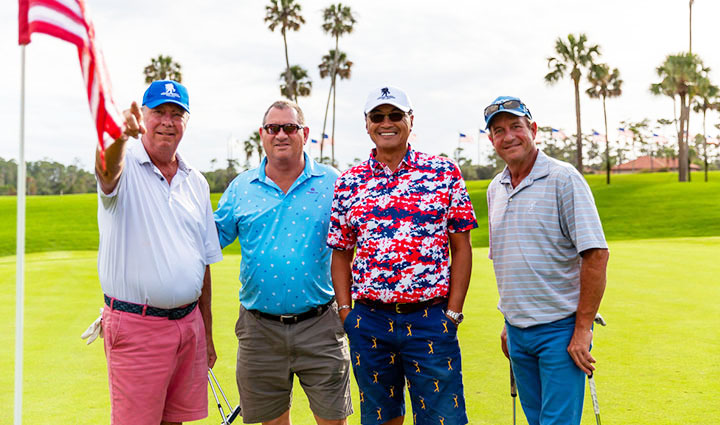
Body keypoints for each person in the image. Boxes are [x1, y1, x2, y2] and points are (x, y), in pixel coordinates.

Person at [328, 86, 477, 425]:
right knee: (381, 419)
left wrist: (452, 313)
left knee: (444, 419)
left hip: (429, 320)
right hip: (370, 322)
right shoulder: (349, 182)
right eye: (377, 117)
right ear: (367, 124)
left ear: (410, 120)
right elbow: (340, 254)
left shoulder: (443, 172)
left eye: (395, 115)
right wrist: (346, 313)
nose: (387, 123)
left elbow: (462, 247)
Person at [214, 100, 352, 425]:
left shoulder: (334, 183)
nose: (280, 134)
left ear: (304, 133)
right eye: (273, 128)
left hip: (320, 324)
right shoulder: (240, 188)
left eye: (289, 127)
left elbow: (358, 240)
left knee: (333, 420)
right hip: (259, 329)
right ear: (262, 135)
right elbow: (208, 241)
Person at [95, 80, 223, 425]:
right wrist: (117, 135)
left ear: (185, 123)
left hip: (188, 326)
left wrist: (206, 333)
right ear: (144, 117)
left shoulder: (196, 182)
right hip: (138, 326)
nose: (168, 121)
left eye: (176, 114)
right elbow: (106, 172)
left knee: (175, 422)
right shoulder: (124, 164)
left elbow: (203, 262)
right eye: (159, 113)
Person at [484, 96, 610, 425]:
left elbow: (596, 254)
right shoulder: (495, 188)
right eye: (499, 131)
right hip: (518, 333)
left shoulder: (563, 178)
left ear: (533, 130)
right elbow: (507, 259)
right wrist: (507, 319)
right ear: (491, 140)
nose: (508, 136)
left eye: (516, 127)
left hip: (561, 331)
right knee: (537, 420)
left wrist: (582, 329)